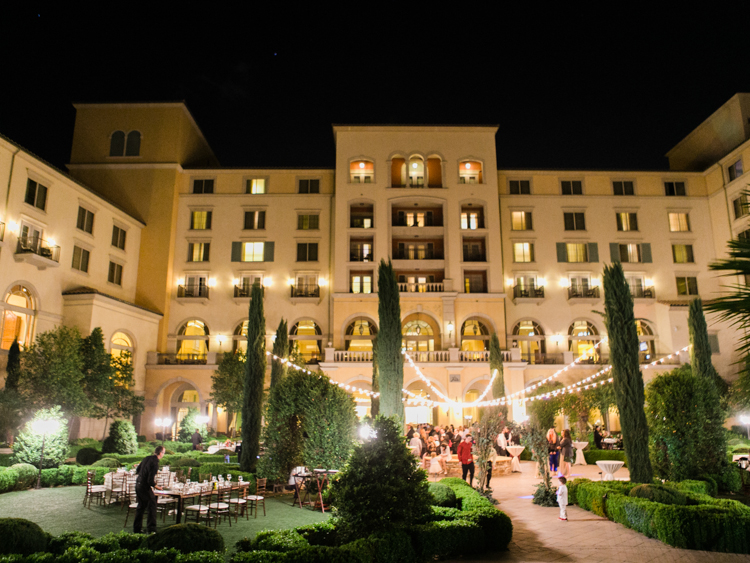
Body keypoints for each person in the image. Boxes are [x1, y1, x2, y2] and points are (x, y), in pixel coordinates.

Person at [133, 445, 165, 534]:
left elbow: (138, 470)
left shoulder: (147, 458)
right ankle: (151, 528)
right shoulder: (155, 462)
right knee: (152, 505)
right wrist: (157, 486)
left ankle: (137, 529)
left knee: (141, 506)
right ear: (160, 453)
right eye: (163, 453)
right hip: (144, 486)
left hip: (138, 484)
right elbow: (150, 480)